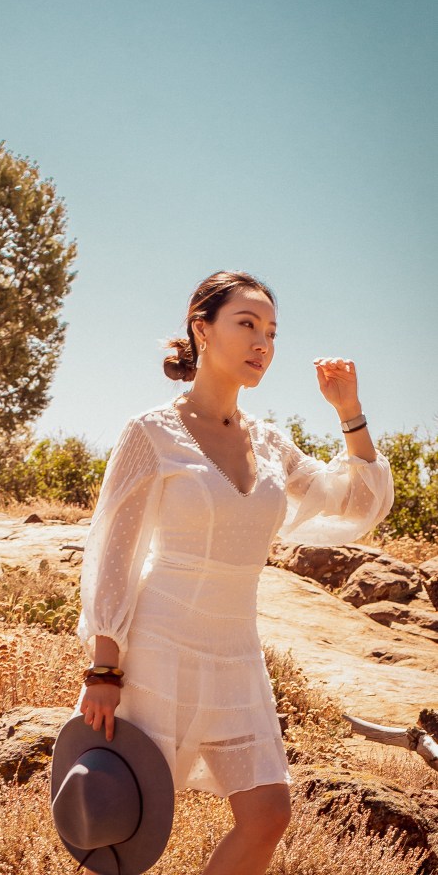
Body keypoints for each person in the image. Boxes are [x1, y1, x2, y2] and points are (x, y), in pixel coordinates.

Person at [72, 270, 394, 875]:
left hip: (236, 651)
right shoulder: (150, 433)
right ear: (202, 330)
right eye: (246, 325)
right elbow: (114, 551)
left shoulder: (271, 443)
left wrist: (349, 413)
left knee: (268, 813)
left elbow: (355, 502)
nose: (262, 344)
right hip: (156, 645)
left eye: (271, 332)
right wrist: (105, 666)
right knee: (120, 827)